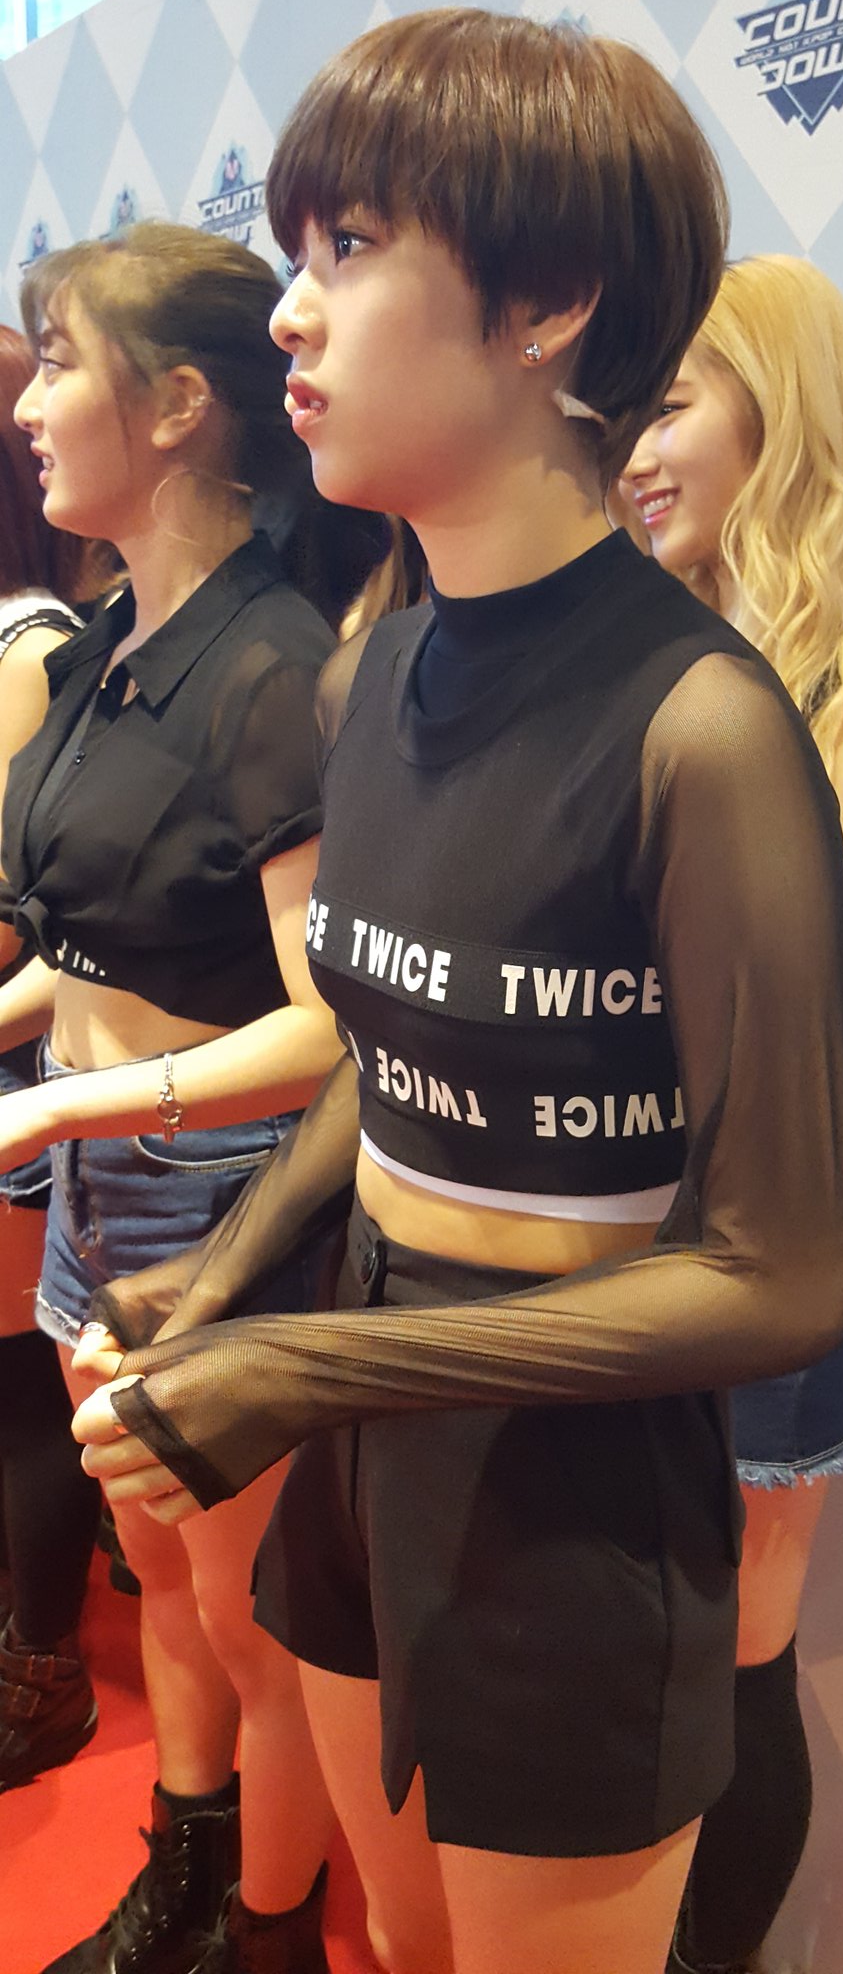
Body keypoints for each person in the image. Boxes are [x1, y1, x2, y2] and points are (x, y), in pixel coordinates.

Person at [71, 13, 843, 1974]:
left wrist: (304, 1369)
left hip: (574, 1513)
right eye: (299, 251)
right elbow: (399, 1049)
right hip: (365, 1446)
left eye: (352, 249)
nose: (293, 310)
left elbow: (780, 1276)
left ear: (548, 303)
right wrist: (232, 1273)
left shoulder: (700, 731)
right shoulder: (373, 675)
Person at [0, 225, 344, 1974]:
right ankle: (182, 1885)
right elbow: (91, 945)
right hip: (97, 1181)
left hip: (218, 1200)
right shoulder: (109, 642)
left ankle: (260, 1926)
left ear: (182, 405)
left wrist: (67, 1110)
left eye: (61, 361)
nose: (30, 404)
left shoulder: (272, 667)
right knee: (166, 1587)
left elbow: (329, 1028)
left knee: (242, 1609)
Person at [619, 252, 843, 1973]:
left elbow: (805, 1025)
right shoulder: (645, 650)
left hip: (758, 1235)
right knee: (621, 1643)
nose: (629, 452)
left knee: (738, 1647)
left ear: (782, 412)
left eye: (668, 405)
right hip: (598, 1223)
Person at [0, 325, 114, 1787]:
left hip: (36, 1073)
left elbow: (30, 913)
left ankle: (45, 1667)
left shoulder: (28, 644)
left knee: (21, 1376)